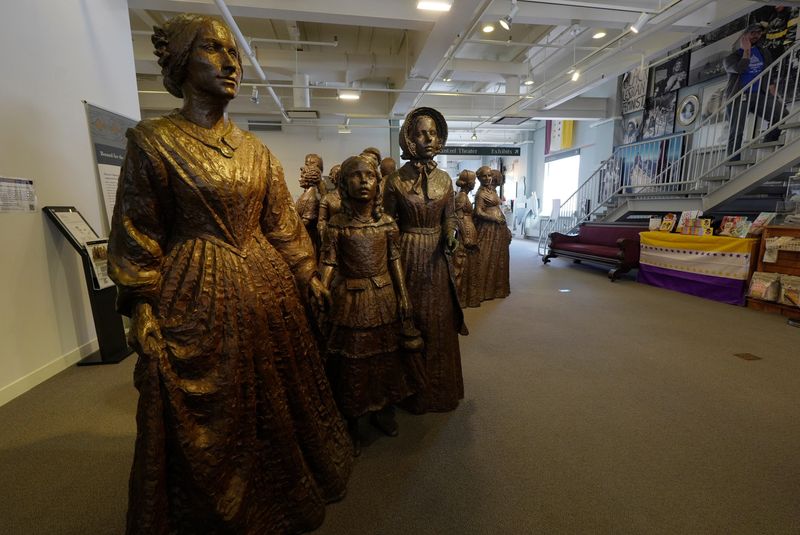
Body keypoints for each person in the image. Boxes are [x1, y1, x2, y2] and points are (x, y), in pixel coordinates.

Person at [107, 15, 351, 535]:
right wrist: (141, 302)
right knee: (212, 408)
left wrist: (307, 272)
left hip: (266, 287)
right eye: (214, 50)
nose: (230, 64)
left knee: (274, 395)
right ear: (181, 62)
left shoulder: (256, 150)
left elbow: (281, 222)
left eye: (235, 54)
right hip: (195, 290)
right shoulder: (155, 141)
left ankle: (278, 495)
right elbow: (138, 228)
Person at [319, 155, 420, 455]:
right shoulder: (336, 226)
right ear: (343, 183)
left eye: (370, 176)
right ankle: (356, 415)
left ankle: (382, 409)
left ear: (378, 184)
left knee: (386, 356)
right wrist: (321, 288)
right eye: (356, 176)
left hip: (383, 296)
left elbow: (394, 261)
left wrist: (403, 295)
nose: (364, 181)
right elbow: (329, 261)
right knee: (354, 361)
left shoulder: (388, 224)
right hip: (351, 299)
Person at [382, 107, 466, 414]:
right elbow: (386, 223)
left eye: (432, 133)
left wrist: (449, 232)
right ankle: (410, 393)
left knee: (439, 321)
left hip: (436, 259)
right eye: (420, 133)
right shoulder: (394, 181)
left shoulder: (445, 180)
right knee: (409, 319)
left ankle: (439, 391)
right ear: (409, 137)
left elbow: (451, 215)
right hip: (407, 252)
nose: (427, 139)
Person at [724, 23, 785, 158]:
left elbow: (769, 71)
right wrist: (746, 51)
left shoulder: (764, 53)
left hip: (760, 94)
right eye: (752, 33)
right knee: (737, 131)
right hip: (739, 97)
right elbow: (740, 68)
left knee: (781, 114)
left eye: (758, 33)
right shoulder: (731, 58)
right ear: (744, 36)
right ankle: (733, 161)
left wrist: (773, 89)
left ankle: (768, 143)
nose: (756, 36)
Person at [473, 166, 511, 302]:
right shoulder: (481, 194)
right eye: (484, 176)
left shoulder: (492, 190)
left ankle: (497, 288)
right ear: (479, 178)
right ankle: (483, 290)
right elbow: (478, 212)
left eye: (489, 176)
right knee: (485, 256)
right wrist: (494, 218)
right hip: (488, 228)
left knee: (498, 257)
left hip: (498, 229)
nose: (488, 179)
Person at [453, 170, 480, 308]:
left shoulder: (464, 196)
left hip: (469, 229)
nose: (475, 183)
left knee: (468, 265)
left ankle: (467, 297)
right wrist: (465, 236)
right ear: (469, 182)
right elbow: (458, 218)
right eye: (474, 181)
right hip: (466, 233)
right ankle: (459, 299)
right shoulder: (461, 197)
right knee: (461, 265)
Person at [297, 153, 324, 254]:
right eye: (306, 163)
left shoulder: (312, 196)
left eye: (311, 164)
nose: (300, 179)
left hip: (308, 238)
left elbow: (306, 222)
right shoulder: (306, 194)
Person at [317, 162, 342, 238]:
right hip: (333, 235)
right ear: (335, 178)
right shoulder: (327, 198)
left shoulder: (352, 197)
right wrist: (324, 234)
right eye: (339, 175)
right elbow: (322, 220)